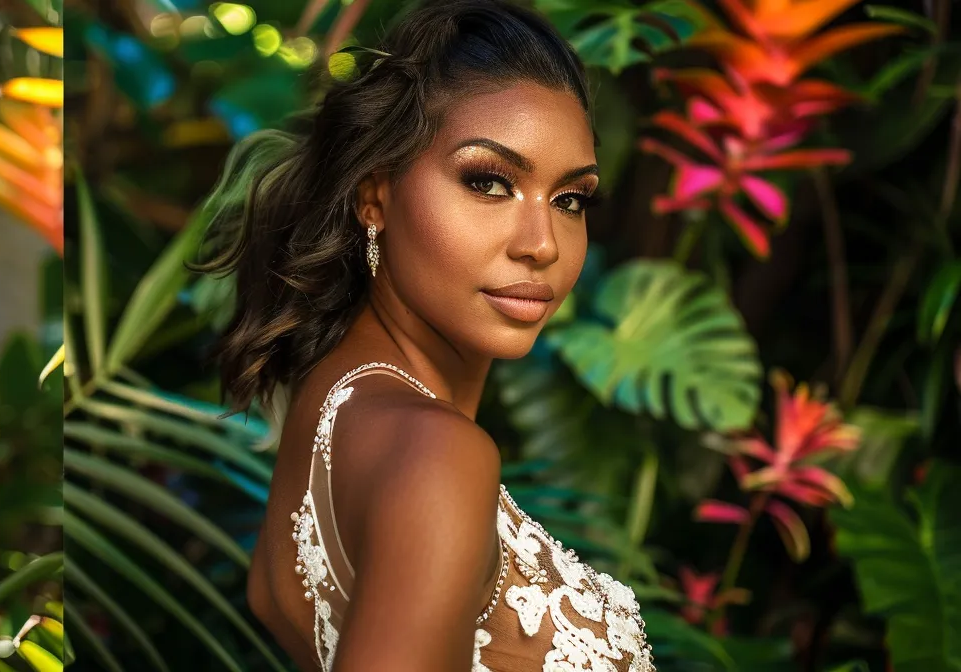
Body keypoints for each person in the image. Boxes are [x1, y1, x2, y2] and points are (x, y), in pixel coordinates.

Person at [196, 0, 654, 669]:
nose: (542, 244)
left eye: (569, 199)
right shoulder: (437, 454)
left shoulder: (333, 409)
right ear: (374, 195)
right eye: (489, 182)